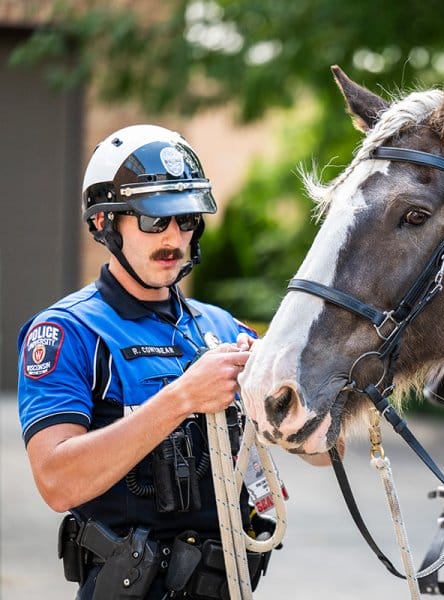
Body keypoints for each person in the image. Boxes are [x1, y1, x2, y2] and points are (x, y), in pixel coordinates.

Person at [17, 124, 278, 599]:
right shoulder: (67, 332)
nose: (174, 236)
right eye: (155, 220)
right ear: (104, 223)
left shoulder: (224, 328)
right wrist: (181, 398)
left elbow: (323, 450)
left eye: (186, 219)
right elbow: (57, 482)